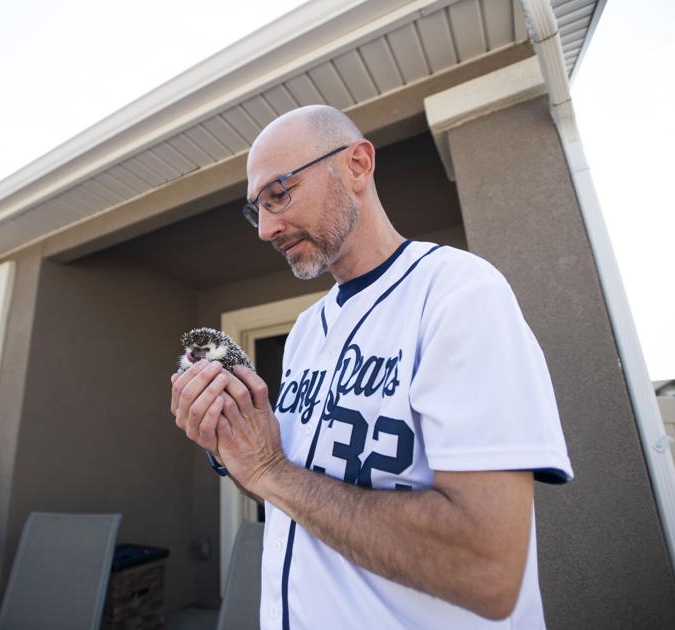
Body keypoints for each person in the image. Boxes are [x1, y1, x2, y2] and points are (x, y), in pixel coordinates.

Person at [170, 104, 572, 629]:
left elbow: (486, 568)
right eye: (256, 210)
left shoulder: (459, 294)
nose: (266, 228)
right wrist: (237, 451)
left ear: (357, 164)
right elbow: (293, 488)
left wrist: (272, 472)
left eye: (279, 194)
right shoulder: (305, 333)